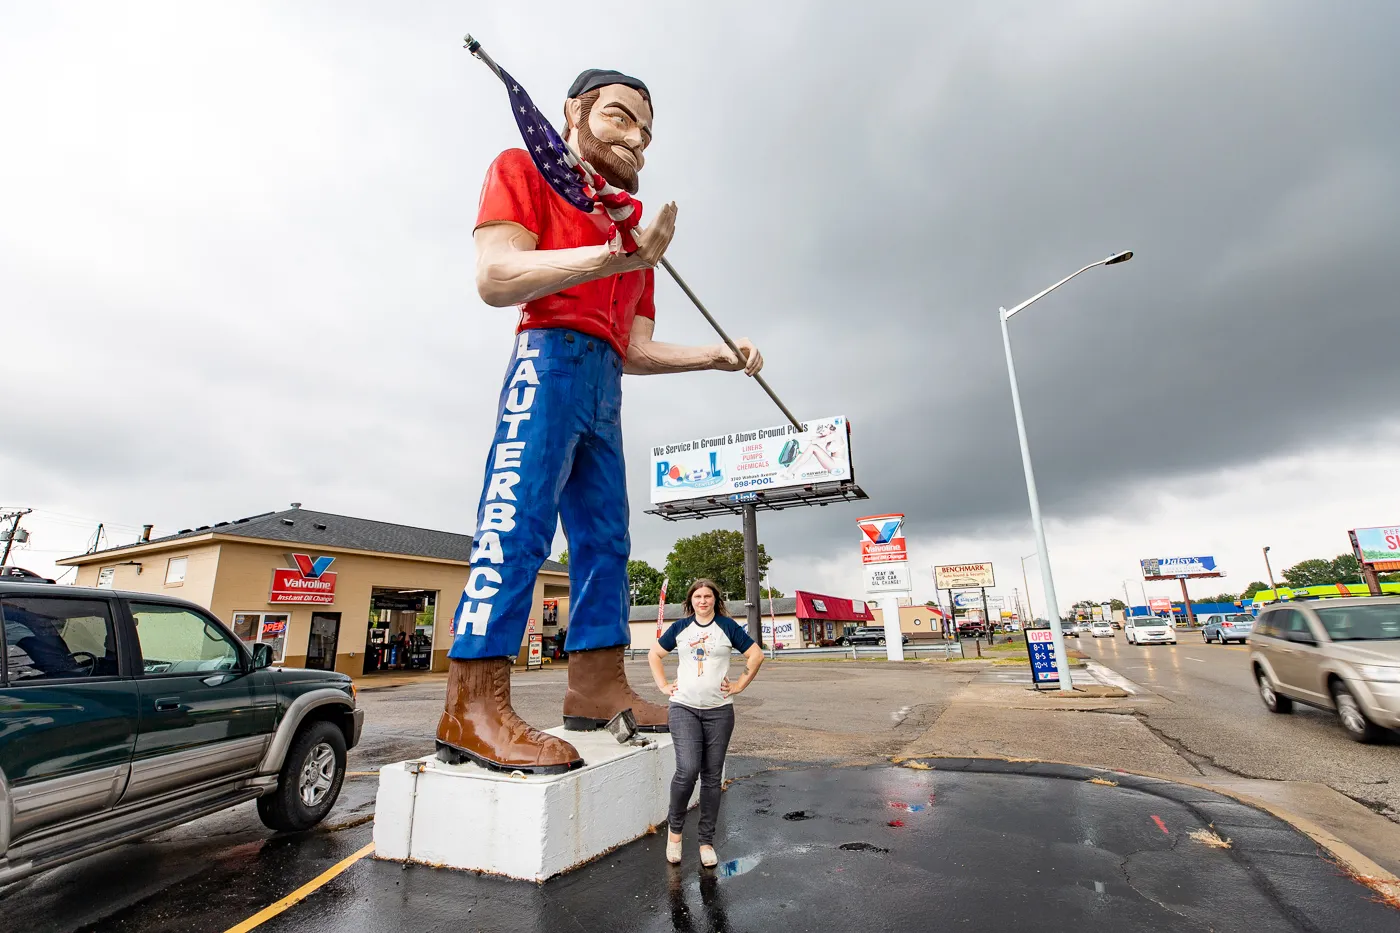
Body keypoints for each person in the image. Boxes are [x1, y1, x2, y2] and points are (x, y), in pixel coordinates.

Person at [435, 67, 765, 775]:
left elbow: (636, 346)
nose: (636, 138)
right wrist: (612, 254)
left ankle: (595, 684)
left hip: (605, 383)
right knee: (516, 522)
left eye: (646, 130)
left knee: (607, 537)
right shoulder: (523, 168)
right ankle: (472, 702)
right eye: (619, 117)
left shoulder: (634, 236)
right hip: (546, 363)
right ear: (572, 113)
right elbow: (496, 277)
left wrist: (715, 355)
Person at [648, 579, 765, 868]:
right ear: (691, 600)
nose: (703, 601)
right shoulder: (681, 627)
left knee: (712, 778)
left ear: (715, 599)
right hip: (683, 708)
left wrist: (740, 684)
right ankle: (675, 834)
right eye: (698, 596)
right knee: (687, 771)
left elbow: (756, 655)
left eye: (708, 596)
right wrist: (663, 685)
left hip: (719, 711)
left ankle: (706, 842)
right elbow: (654, 654)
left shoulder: (727, 627)